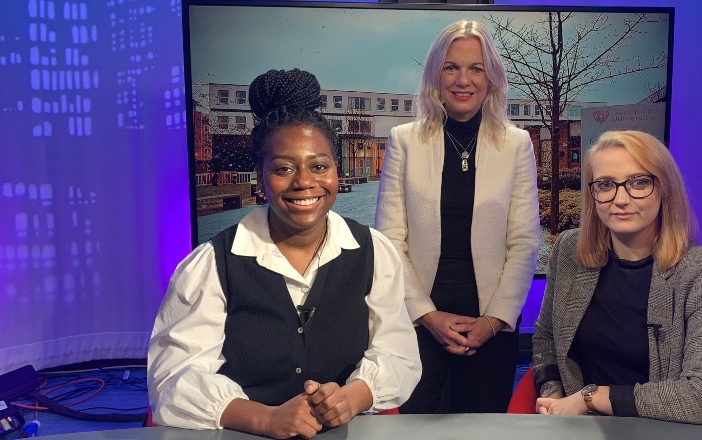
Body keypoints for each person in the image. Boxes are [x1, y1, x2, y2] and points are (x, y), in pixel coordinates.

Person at [148, 69, 421, 439]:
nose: (304, 182)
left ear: (335, 172)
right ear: (260, 178)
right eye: (283, 169)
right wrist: (265, 419)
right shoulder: (212, 263)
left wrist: (351, 398)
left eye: (319, 166)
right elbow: (172, 379)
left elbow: (398, 355)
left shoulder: (375, 253)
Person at [375, 20, 540, 414]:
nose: (462, 80)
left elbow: (524, 242)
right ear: (436, 74)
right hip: (417, 322)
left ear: (491, 78)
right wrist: (427, 315)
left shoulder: (517, 145)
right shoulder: (404, 141)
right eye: (451, 67)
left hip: (491, 326)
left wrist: (494, 321)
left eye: (476, 68)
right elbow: (389, 239)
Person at [531, 130, 702, 425]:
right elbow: (547, 337)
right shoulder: (568, 252)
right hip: (584, 429)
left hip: (670, 431)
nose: (621, 199)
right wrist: (553, 394)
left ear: (665, 188)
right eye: (605, 185)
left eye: (638, 182)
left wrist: (591, 397)